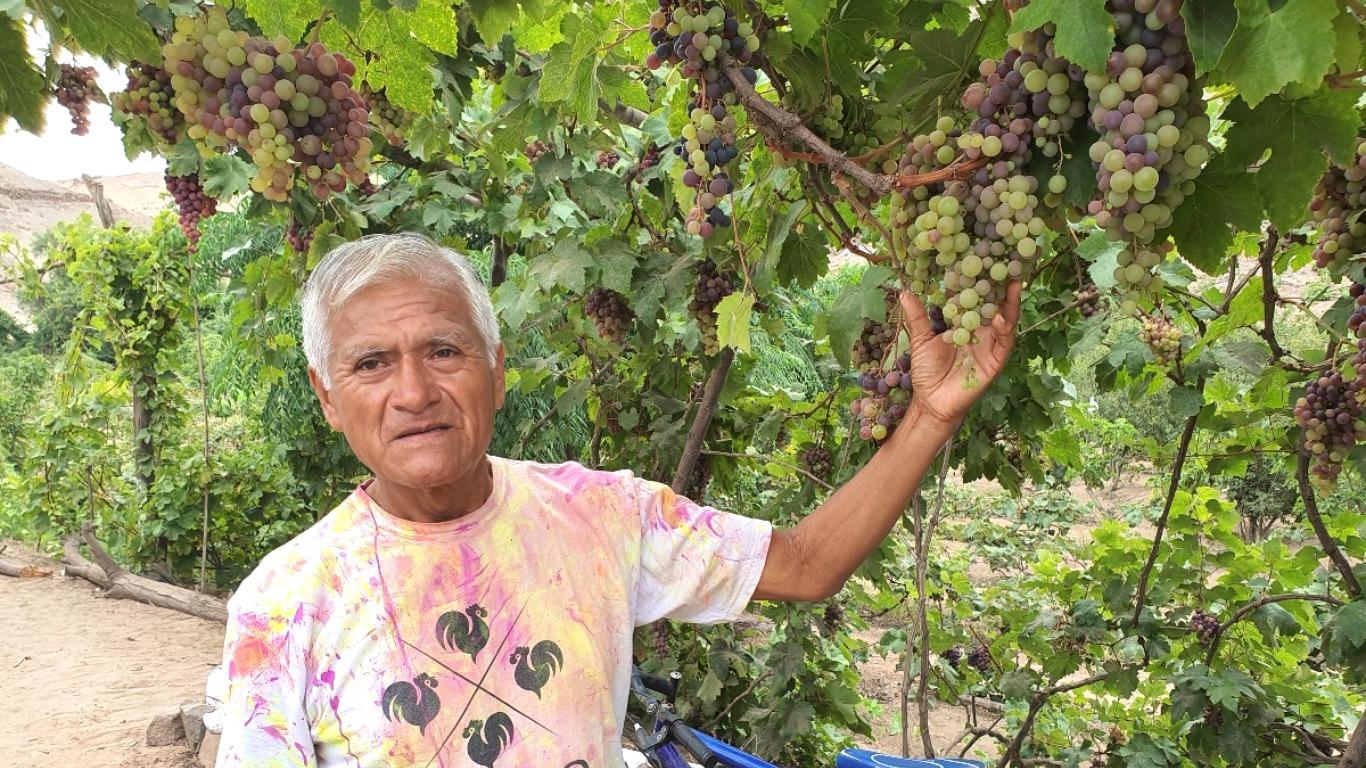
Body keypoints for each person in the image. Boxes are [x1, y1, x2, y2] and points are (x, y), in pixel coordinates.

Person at [216, 233, 1020, 768]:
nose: (415, 391)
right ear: (327, 397)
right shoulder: (286, 603)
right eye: (371, 365)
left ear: (496, 370)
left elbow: (808, 566)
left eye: (442, 350)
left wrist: (930, 416)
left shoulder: (598, 513)